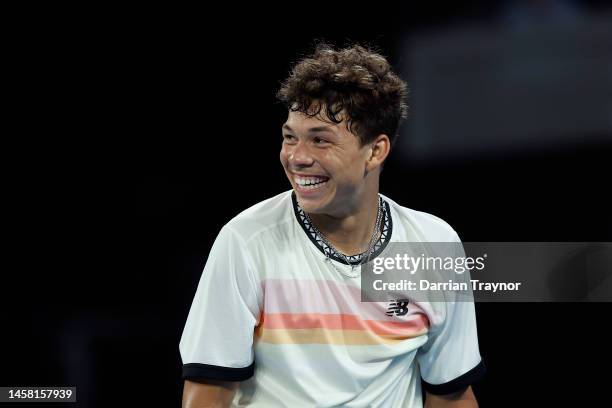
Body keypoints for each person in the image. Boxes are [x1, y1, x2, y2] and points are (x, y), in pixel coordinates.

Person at [179, 43, 485, 407]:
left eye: (320, 140)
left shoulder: (435, 243)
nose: (296, 157)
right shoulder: (246, 241)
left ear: (375, 151)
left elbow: (451, 394)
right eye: (290, 137)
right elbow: (206, 393)